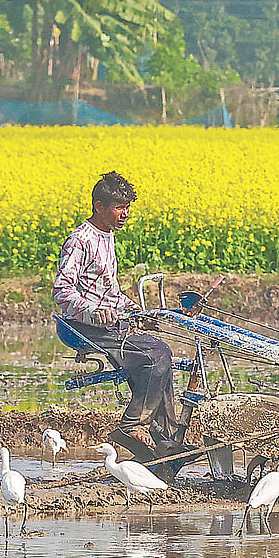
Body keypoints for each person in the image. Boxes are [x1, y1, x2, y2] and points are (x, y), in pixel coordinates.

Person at [53, 171, 177, 452]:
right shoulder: (80, 240)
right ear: (100, 207)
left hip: (109, 323)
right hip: (84, 327)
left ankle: (164, 437)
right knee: (157, 355)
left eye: (128, 208)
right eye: (119, 208)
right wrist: (93, 311)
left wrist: (137, 312)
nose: (125, 214)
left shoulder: (107, 237)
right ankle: (132, 425)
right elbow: (62, 290)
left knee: (162, 358)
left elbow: (110, 293)